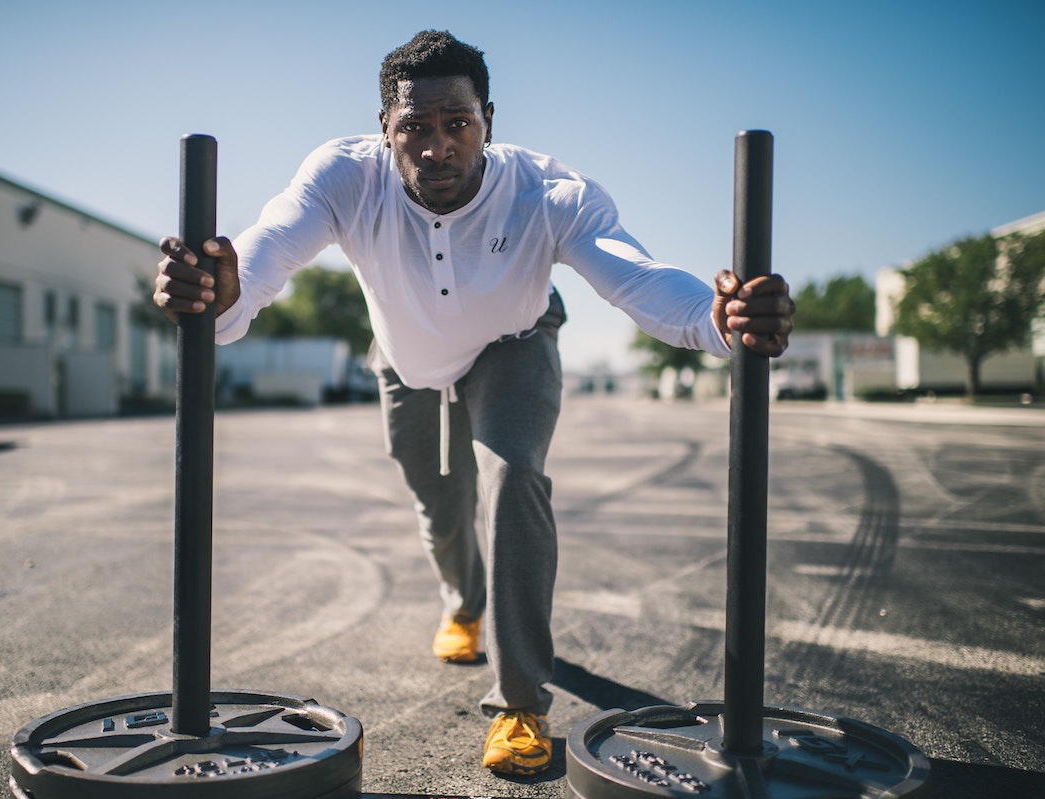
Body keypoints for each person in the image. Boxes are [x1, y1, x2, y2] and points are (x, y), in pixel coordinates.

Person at [154, 29, 794, 777]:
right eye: (414, 128)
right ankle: (464, 602)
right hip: (405, 356)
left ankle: (521, 701)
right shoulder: (342, 178)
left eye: (457, 123)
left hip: (512, 342)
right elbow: (264, 254)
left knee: (511, 475)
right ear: (384, 130)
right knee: (439, 501)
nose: (436, 147)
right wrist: (225, 292)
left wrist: (718, 318)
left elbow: (639, 278)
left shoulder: (547, 193)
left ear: (488, 119)